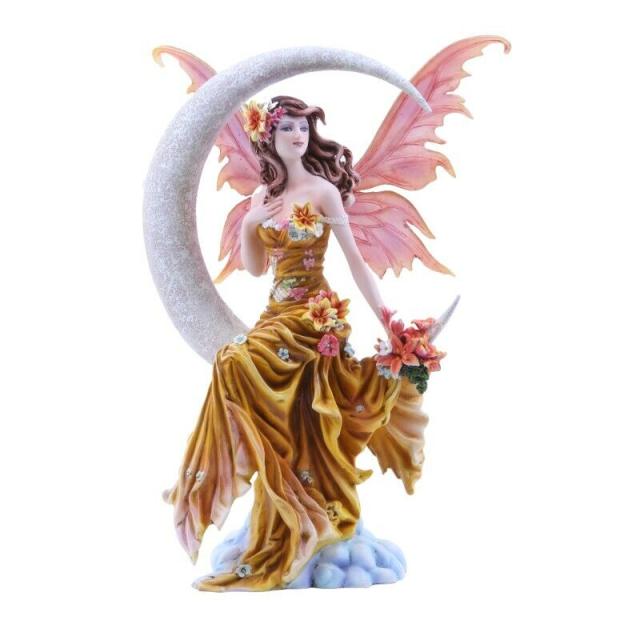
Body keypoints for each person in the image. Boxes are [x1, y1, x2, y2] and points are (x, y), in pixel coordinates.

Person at [163, 96, 432, 592]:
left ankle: (314, 510)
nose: (297, 136)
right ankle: (275, 494)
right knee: (234, 362)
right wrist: (249, 223)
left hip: (315, 316)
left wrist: (388, 317)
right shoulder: (262, 197)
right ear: (269, 136)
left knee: (261, 377)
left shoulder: (324, 192)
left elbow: (354, 261)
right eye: (287, 127)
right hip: (276, 314)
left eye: (303, 128)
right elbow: (255, 268)